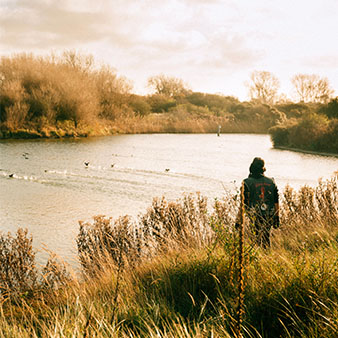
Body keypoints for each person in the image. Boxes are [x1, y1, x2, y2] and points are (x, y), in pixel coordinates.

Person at [236, 157, 280, 248]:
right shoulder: (271, 182)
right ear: (263, 168)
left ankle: (261, 257)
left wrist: (238, 220)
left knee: (256, 238)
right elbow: (276, 201)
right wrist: (277, 217)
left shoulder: (247, 182)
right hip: (269, 214)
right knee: (266, 236)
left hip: (254, 214)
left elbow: (243, 204)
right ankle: (267, 255)